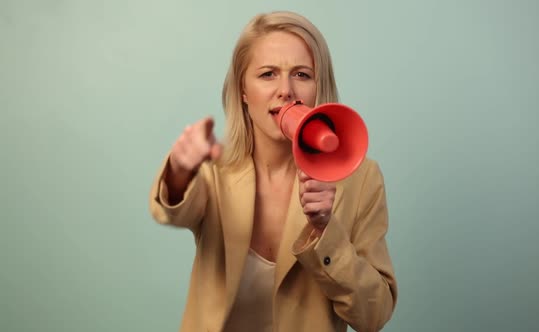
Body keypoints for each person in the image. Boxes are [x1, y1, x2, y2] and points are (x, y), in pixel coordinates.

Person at [149, 10, 397, 332]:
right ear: (243, 91)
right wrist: (180, 170)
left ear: (319, 87)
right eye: (268, 74)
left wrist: (326, 232)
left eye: (302, 75)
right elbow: (173, 211)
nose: (286, 91)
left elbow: (374, 315)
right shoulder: (214, 170)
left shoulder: (361, 180)